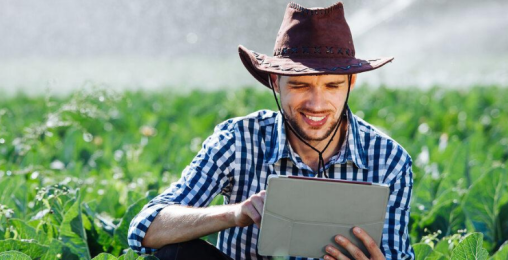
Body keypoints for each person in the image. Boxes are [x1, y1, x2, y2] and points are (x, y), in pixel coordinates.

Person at [128, 2, 414, 260]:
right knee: (178, 253)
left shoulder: (388, 160)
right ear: (276, 82)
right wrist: (235, 213)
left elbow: (396, 254)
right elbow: (145, 229)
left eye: (332, 86)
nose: (316, 104)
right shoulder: (237, 140)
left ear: (350, 84)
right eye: (300, 85)